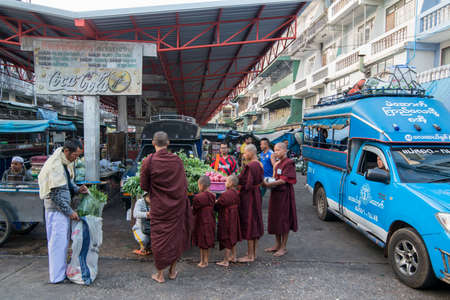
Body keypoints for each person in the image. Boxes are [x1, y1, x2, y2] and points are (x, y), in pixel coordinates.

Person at [140, 131, 191, 283]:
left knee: (159, 239)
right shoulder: (177, 160)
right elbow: (183, 183)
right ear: (168, 143)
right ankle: (172, 271)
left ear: (153, 144)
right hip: (176, 206)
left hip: (159, 207)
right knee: (175, 238)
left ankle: (160, 274)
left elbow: (144, 185)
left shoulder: (148, 161)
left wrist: (152, 193)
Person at [38, 139, 88, 284]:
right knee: (57, 243)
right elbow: (55, 194)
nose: (76, 158)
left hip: (62, 210)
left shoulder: (64, 163)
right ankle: (57, 277)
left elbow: (67, 183)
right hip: (56, 210)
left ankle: (60, 272)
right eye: (75, 155)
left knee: (62, 242)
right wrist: (69, 211)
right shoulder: (55, 166)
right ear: (67, 151)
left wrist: (77, 189)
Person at [263, 142, 298, 257]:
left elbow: (283, 180)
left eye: (278, 150)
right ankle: (277, 244)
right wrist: (267, 181)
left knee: (284, 220)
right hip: (275, 195)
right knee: (275, 219)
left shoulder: (289, 163)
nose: (276, 152)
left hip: (284, 195)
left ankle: (283, 247)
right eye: (275, 150)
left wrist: (268, 184)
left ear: (285, 150)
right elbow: (274, 177)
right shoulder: (277, 164)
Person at [237, 144, 264, 263]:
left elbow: (247, 184)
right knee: (255, 221)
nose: (244, 155)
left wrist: (237, 188)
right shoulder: (259, 164)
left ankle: (250, 256)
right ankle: (253, 253)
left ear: (251, 153)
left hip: (250, 196)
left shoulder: (251, 165)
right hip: (256, 194)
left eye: (245, 153)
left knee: (250, 223)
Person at [216, 174, 241, 267]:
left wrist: (216, 202)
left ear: (231, 183)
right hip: (234, 216)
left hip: (227, 216)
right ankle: (233, 256)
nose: (225, 183)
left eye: (226, 181)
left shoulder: (226, 194)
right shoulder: (237, 193)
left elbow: (219, 204)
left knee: (227, 237)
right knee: (233, 235)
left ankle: (226, 260)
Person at [192, 175, 216, 268]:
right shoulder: (212, 196)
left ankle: (203, 261)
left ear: (201, 185)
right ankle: (206, 260)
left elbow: (194, 210)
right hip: (210, 219)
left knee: (202, 241)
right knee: (208, 240)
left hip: (201, 220)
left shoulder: (198, 197)